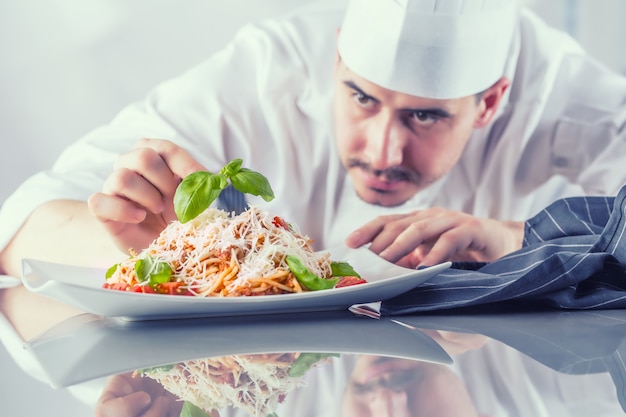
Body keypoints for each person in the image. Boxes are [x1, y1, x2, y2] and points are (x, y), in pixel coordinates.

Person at [1, 0, 626, 285]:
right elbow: (19, 226)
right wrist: (156, 256)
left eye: (427, 118)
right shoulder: (266, 69)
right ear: (335, 63)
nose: (383, 152)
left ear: (491, 101)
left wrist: (524, 240)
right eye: (361, 97)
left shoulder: (561, 87)